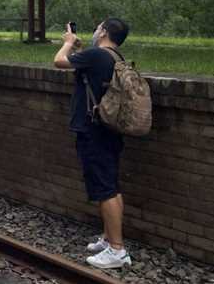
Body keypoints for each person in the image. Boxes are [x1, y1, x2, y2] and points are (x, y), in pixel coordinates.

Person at [54, 18, 132, 269]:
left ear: (105, 32)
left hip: (93, 131)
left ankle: (117, 251)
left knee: (104, 188)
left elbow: (59, 62)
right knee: (110, 185)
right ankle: (109, 239)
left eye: (98, 27)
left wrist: (67, 43)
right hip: (108, 129)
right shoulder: (113, 56)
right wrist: (77, 48)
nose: (95, 30)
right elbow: (87, 71)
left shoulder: (98, 54)